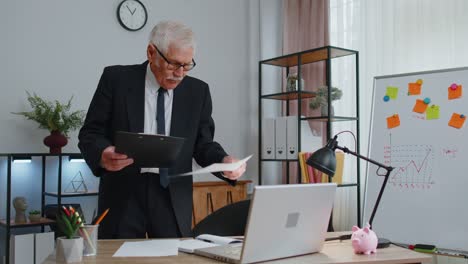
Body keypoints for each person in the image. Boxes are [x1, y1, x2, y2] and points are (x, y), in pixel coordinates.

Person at [78, 20, 246, 239]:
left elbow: (203, 144)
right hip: (123, 193)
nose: (180, 73)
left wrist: (223, 161)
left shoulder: (198, 92)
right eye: (173, 64)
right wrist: (102, 154)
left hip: (172, 196)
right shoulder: (116, 79)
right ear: (151, 52)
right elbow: (90, 134)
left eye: (187, 65)